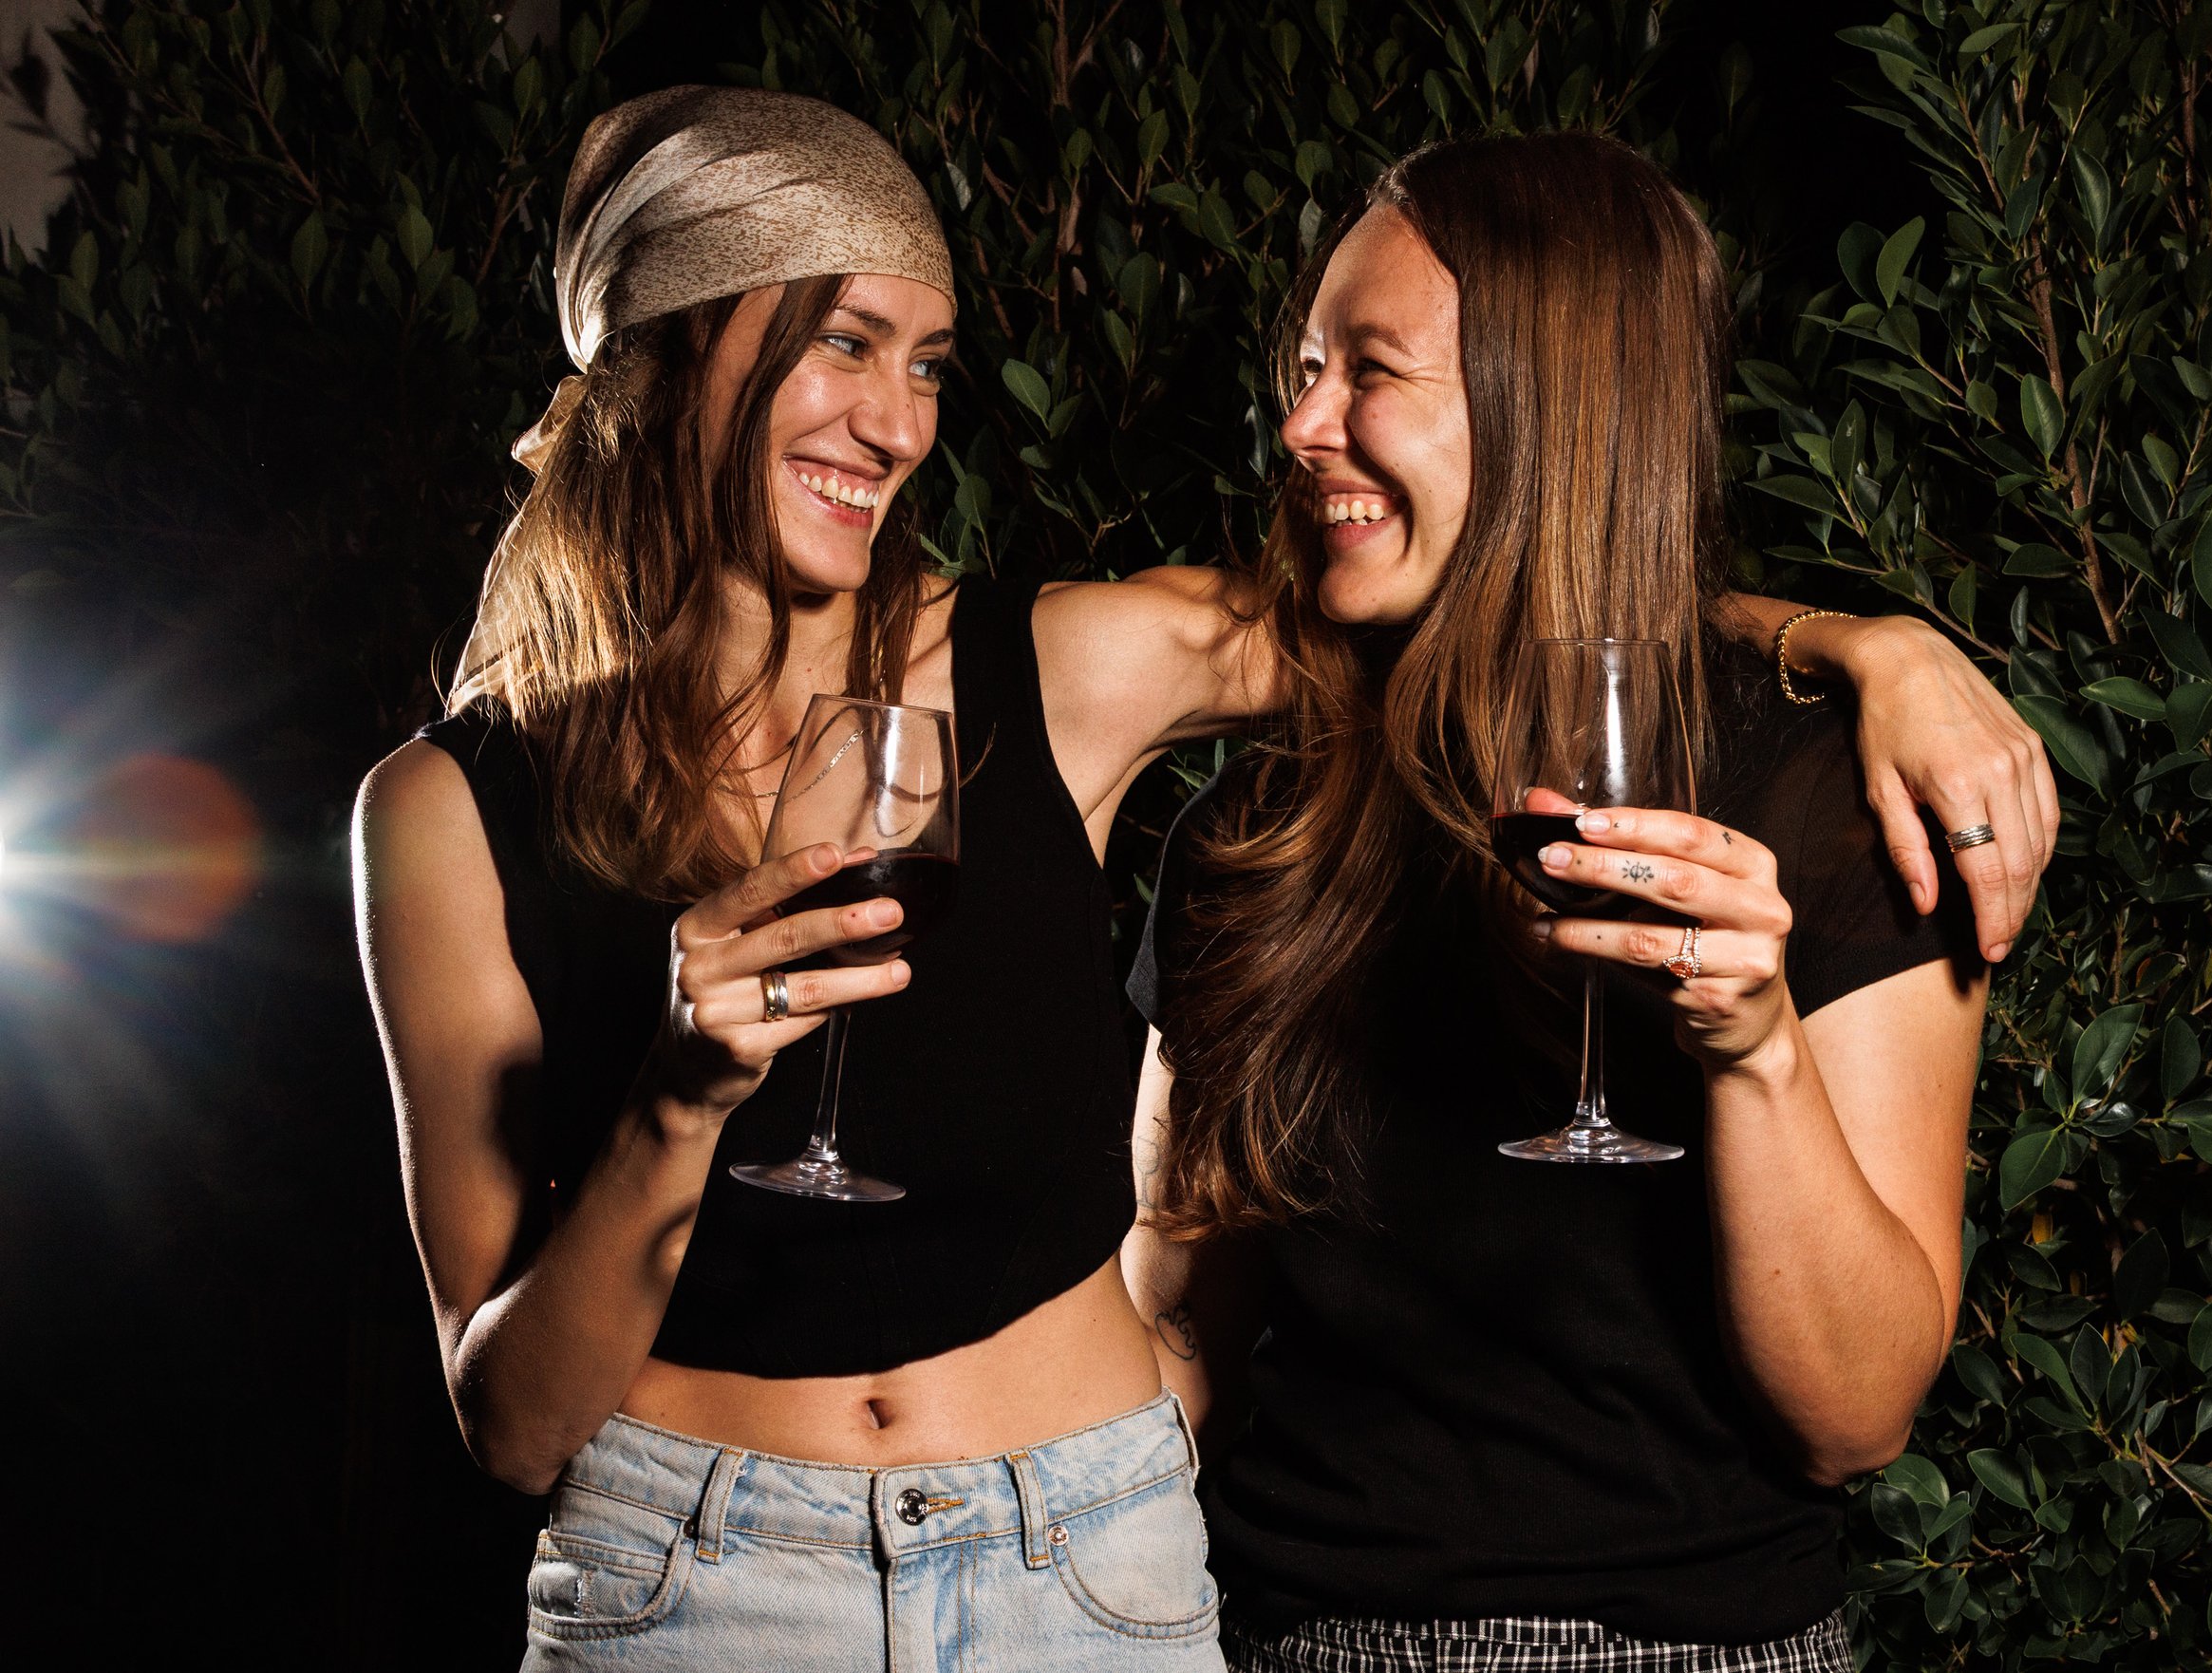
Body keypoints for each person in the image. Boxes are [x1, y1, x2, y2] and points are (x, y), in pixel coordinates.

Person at [352, 89, 2043, 1669]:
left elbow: (1513, 571)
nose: (898, 419)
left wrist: (1860, 643)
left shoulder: (1061, 668)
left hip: (1086, 1563)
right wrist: (676, 1100)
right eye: (843, 343)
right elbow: (508, 1423)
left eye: (931, 361)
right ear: (657, 358)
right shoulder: (442, 811)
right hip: (695, 1577)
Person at [1125, 131, 2001, 1673]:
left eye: (1370, 370)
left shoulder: (1833, 799)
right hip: (1295, 1637)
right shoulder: (1262, 817)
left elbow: (1856, 1417)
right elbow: (1177, 1327)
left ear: (1555, 414)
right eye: (1306, 363)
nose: (1302, 420)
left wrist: (1754, 1052)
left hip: (1691, 1649)